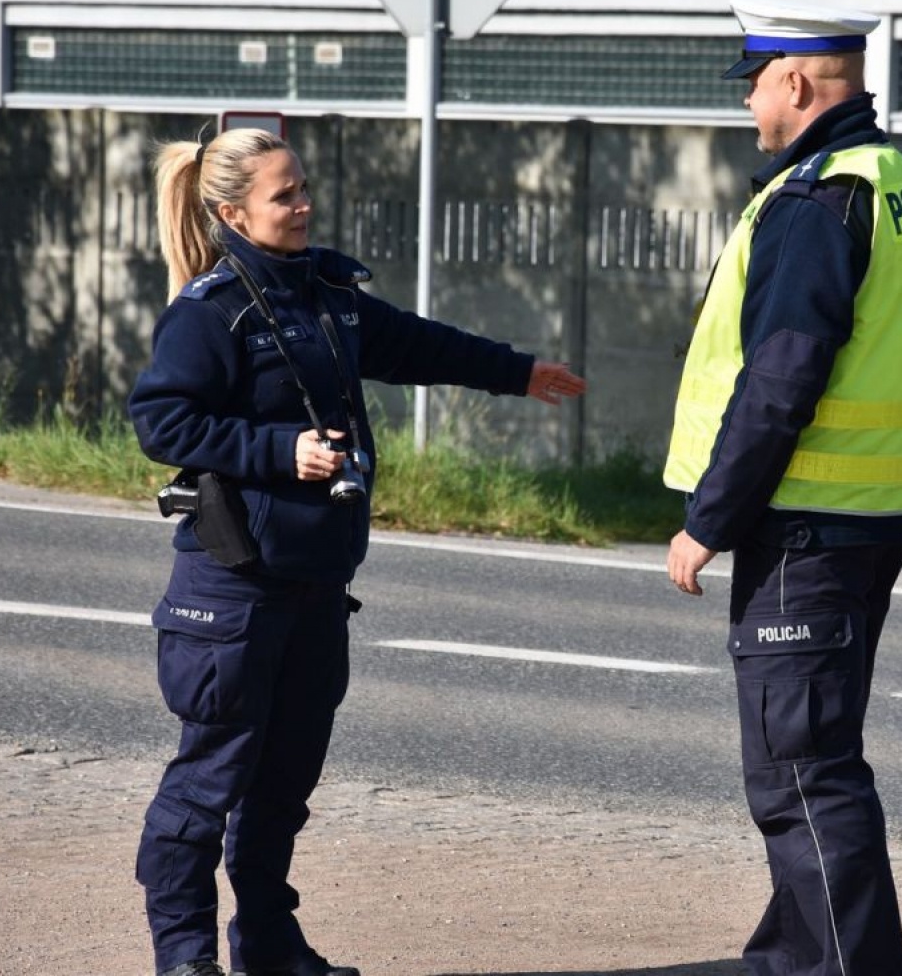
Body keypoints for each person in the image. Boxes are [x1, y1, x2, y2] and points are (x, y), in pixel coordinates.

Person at [129, 126, 586, 976]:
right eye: (283, 195)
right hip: (234, 588)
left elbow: (418, 343)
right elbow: (161, 421)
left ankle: (267, 947)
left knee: (281, 789)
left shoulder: (325, 292)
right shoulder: (210, 309)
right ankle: (184, 958)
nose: (303, 205)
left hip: (315, 581)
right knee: (207, 784)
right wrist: (278, 452)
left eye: (303, 188)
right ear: (231, 211)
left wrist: (520, 372)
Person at [664, 0, 902, 976]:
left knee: (799, 768)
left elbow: (782, 376)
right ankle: (792, 951)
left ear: (791, 78)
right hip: (869, 514)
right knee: (813, 750)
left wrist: (709, 518)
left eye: (750, 83)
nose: (747, 106)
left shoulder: (815, 197)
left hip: (804, 522)